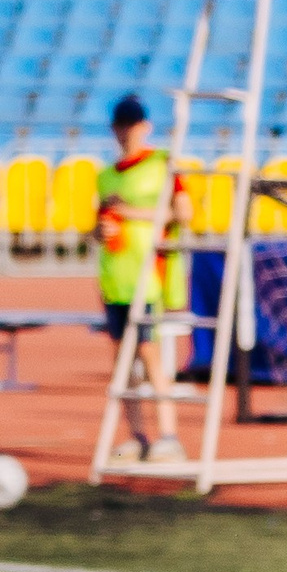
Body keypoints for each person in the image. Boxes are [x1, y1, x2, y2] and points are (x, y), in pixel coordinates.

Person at [94, 94, 190, 464]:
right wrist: (99, 232)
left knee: (149, 356)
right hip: (114, 277)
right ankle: (138, 435)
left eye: (132, 126)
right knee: (122, 362)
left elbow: (183, 214)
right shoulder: (106, 175)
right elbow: (99, 224)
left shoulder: (162, 165)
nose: (126, 134)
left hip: (148, 277)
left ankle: (169, 435)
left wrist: (131, 212)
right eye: (121, 127)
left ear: (145, 128)